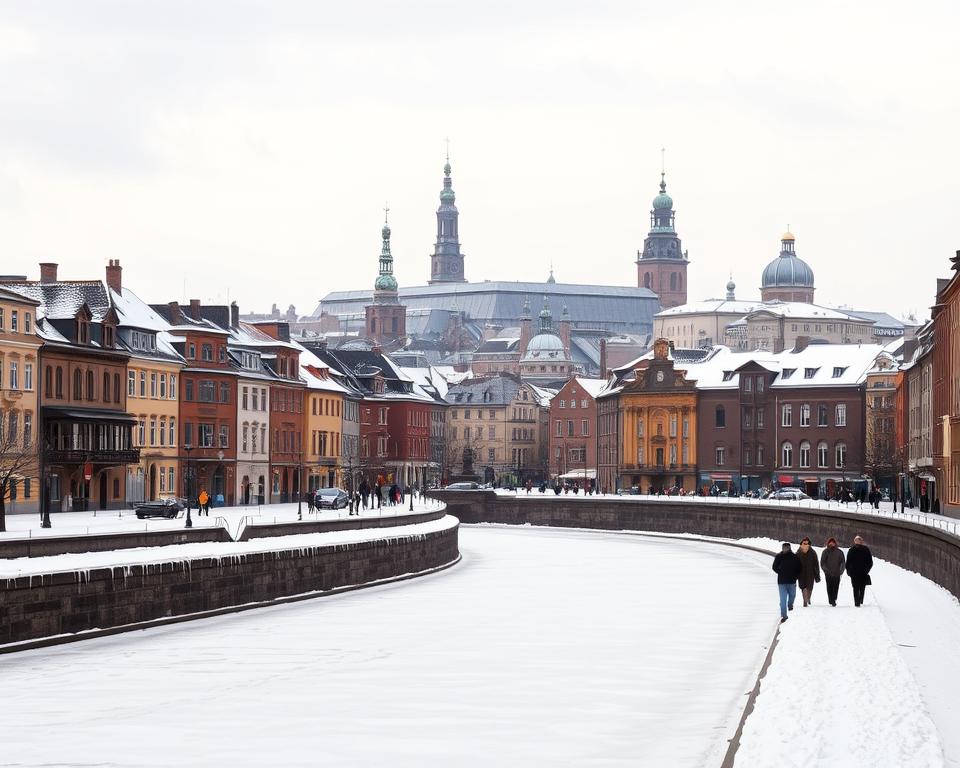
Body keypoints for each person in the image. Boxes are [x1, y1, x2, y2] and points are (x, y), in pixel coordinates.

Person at [772, 542, 802, 623]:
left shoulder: (794, 557)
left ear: (789, 548)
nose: (785, 549)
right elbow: (774, 567)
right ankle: (784, 616)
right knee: (783, 600)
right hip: (781, 582)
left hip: (792, 581)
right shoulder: (779, 556)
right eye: (784, 547)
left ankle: (790, 605)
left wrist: (795, 576)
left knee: (792, 596)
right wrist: (780, 571)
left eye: (786, 548)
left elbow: (799, 568)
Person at [845, 535, 873, 607]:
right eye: (856, 540)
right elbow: (848, 561)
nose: (857, 541)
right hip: (854, 573)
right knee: (855, 587)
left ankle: (860, 600)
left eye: (859, 540)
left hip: (863, 572)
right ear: (854, 541)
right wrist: (848, 571)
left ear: (861, 541)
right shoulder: (851, 550)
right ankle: (856, 603)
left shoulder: (866, 549)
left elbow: (870, 562)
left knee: (862, 587)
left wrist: (867, 570)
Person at [820, 537, 845, 606]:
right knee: (829, 587)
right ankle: (831, 599)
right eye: (830, 542)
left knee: (835, 587)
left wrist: (841, 571)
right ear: (828, 543)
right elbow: (822, 562)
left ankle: (834, 599)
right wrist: (826, 570)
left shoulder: (839, 552)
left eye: (833, 542)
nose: (831, 544)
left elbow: (843, 562)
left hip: (837, 573)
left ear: (835, 543)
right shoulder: (825, 551)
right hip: (828, 573)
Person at [796, 537, 821, 606]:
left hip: (805, 573)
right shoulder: (811, 552)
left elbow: (815, 564)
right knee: (808, 587)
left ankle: (806, 599)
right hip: (807, 573)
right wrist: (817, 575)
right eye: (805, 543)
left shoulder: (799, 551)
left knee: (804, 587)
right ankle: (806, 599)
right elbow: (816, 564)